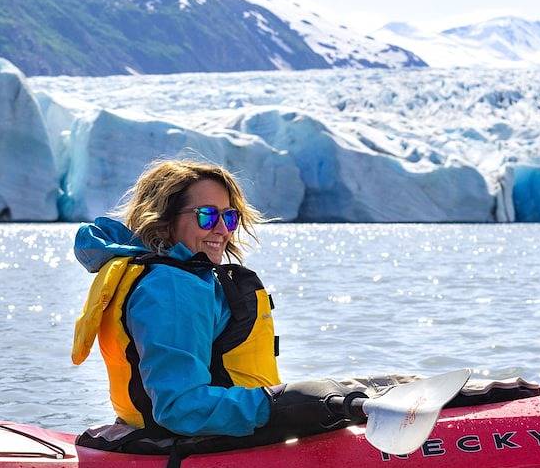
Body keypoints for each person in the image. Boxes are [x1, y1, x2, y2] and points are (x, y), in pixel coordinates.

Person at [71, 159, 360, 441]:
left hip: (181, 433)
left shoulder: (172, 275)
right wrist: (278, 406)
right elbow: (180, 407)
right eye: (206, 216)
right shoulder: (171, 287)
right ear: (164, 222)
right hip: (201, 443)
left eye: (229, 217)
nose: (222, 229)